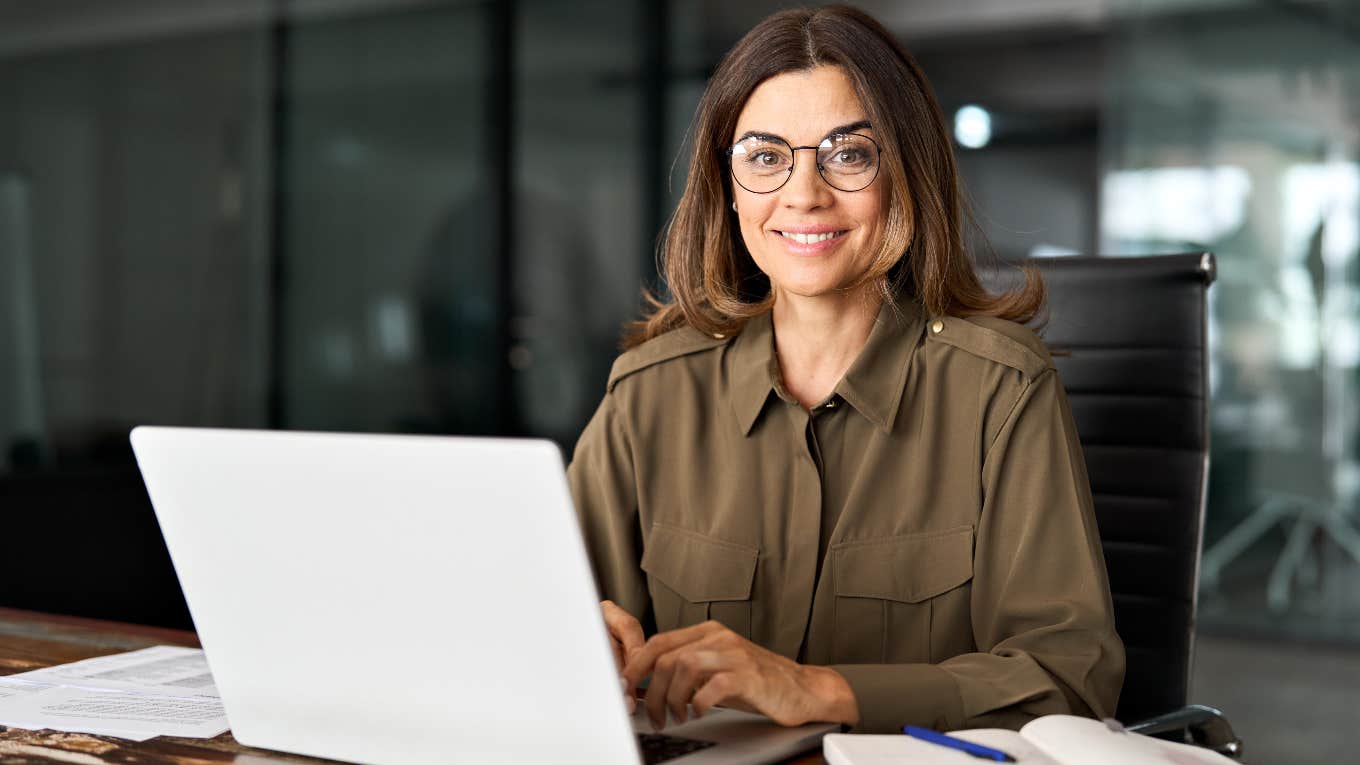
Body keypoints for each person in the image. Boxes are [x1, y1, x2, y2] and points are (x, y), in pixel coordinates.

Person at [566, 5, 1124, 735]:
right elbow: (550, 622)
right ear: (727, 185)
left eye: (848, 154)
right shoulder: (648, 392)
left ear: (906, 173)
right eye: (766, 157)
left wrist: (819, 689)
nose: (804, 193)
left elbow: (1068, 678)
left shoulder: (1000, 389)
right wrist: (577, 641)